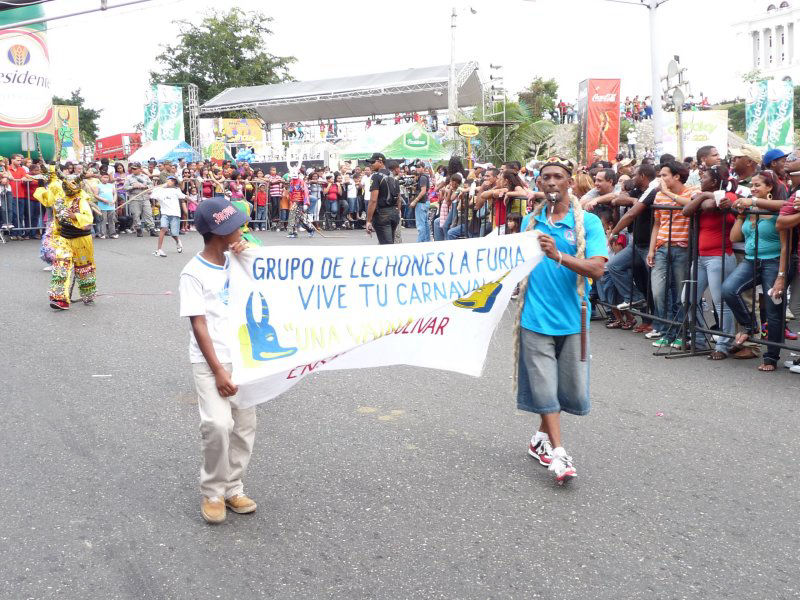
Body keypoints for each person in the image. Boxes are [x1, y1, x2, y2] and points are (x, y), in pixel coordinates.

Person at [514, 158, 607, 484]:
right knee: (543, 387)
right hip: (535, 319)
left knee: (571, 392)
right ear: (539, 184)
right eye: (545, 178)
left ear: (570, 182)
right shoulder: (529, 222)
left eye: (558, 177)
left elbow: (597, 269)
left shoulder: (588, 223)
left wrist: (559, 255)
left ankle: (541, 437)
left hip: (573, 319)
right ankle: (558, 452)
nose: (551, 182)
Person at [178, 197, 257, 524]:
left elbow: (274, 280)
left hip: (244, 356)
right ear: (217, 232)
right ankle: (212, 491)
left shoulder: (239, 258)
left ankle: (232, 487)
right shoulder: (193, 273)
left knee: (244, 426)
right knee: (217, 424)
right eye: (235, 226)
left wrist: (247, 254)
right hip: (211, 362)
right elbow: (198, 324)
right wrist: (219, 371)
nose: (242, 230)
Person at [723, 170, 789, 372]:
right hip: (751, 260)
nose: (753, 189)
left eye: (758, 185)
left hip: (773, 261)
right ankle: (751, 326)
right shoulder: (749, 208)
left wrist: (752, 202)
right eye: (751, 185)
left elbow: (784, 205)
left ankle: (771, 357)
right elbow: (734, 238)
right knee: (728, 289)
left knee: (773, 310)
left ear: (769, 187)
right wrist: (741, 217)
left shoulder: (777, 207)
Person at [681, 164, 737, 359]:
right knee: (687, 299)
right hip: (701, 257)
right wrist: (704, 196)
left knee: (720, 302)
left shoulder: (729, 197)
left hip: (719, 256)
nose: (700, 180)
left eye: (703, 178)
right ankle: (700, 339)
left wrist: (703, 196)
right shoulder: (703, 195)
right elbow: (686, 211)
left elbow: (711, 205)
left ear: (714, 182)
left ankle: (723, 345)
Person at [647, 161, 697, 349]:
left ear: (676, 176)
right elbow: (657, 224)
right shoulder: (658, 196)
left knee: (680, 294)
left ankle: (681, 333)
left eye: (664, 175)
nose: (661, 179)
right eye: (660, 175)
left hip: (682, 248)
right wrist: (652, 249)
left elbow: (692, 204)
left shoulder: (691, 191)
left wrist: (669, 193)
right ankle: (668, 331)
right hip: (661, 247)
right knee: (658, 292)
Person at [34, 164, 97, 310]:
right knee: (61, 265)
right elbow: (46, 199)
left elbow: (88, 219)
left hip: (81, 240)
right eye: (66, 185)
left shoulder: (81, 200)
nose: (68, 188)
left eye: (71, 185)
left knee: (84, 267)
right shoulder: (59, 196)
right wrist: (42, 184)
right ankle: (59, 299)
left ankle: (88, 294)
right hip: (64, 237)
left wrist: (75, 215)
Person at [365, 153, 401, 245]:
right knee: (389, 242)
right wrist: (397, 212)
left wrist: (368, 220)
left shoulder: (376, 176)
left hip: (382, 214)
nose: (371, 164)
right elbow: (399, 197)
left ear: (380, 162)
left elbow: (373, 200)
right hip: (394, 213)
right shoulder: (394, 176)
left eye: (373, 162)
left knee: (386, 246)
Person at [151, 176, 185, 257]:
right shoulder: (160, 190)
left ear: (174, 183)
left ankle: (177, 241)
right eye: (169, 180)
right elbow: (152, 195)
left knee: (174, 234)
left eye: (171, 181)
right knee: (163, 229)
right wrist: (155, 188)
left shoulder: (176, 190)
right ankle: (159, 249)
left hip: (175, 214)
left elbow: (185, 196)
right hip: (165, 213)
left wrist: (196, 203)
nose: (169, 182)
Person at [124, 162, 157, 237]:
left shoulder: (145, 177)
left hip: (145, 197)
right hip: (134, 197)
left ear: (139, 169)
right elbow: (125, 187)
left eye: (135, 169)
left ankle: (151, 228)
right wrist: (133, 187)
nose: (133, 170)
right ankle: (138, 228)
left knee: (148, 213)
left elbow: (151, 185)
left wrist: (145, 187)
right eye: (132, 168)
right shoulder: (129, 177)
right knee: (136, 214)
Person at [409, 164, 430, 242]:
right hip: (424, 202)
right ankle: (426, 242)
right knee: (425, 224)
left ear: (423, 168)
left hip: (421, 203)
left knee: (421, 225)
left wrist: (415, 201)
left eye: (419, 167)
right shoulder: (424, 177)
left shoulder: (423, 177)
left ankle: (420, 243)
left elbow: (423, 191)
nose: (417, 168)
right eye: (416, 167)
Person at [95, 172, 118, 239]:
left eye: (107, 177)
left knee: (112, 219)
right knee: (103, 220)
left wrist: (114, 200)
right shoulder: (98, 186)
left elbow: (115, 194)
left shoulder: (111, 185)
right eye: (104, 177)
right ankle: (102, 233)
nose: (105, 179)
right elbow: (96, 195)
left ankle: (112, 233)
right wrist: (103, 199)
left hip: (111, 206)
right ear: (100, 178)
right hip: (102, 206)